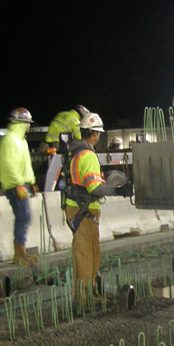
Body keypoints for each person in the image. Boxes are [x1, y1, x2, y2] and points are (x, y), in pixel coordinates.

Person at [63, 113, 107, 301]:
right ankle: (86, 299)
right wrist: (114, 190)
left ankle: (88, 295)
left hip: (78, 209)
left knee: (88, 253)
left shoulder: (75, 152)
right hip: (84, 211)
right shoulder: (88, 155)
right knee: (87, 256)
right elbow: (93, 187)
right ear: (95, 134)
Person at [0, 107, 39, 265]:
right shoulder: (11, 140)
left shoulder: (20, 141)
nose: (29, 126)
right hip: (15, 186)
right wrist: (19, 185)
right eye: (28, 123)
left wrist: (32, 181)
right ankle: (19, 253)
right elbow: (10, 165)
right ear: (22, 123)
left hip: (21, 184)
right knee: (23, 217)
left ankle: (21, 251)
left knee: (24, 217)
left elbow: (26, 165)